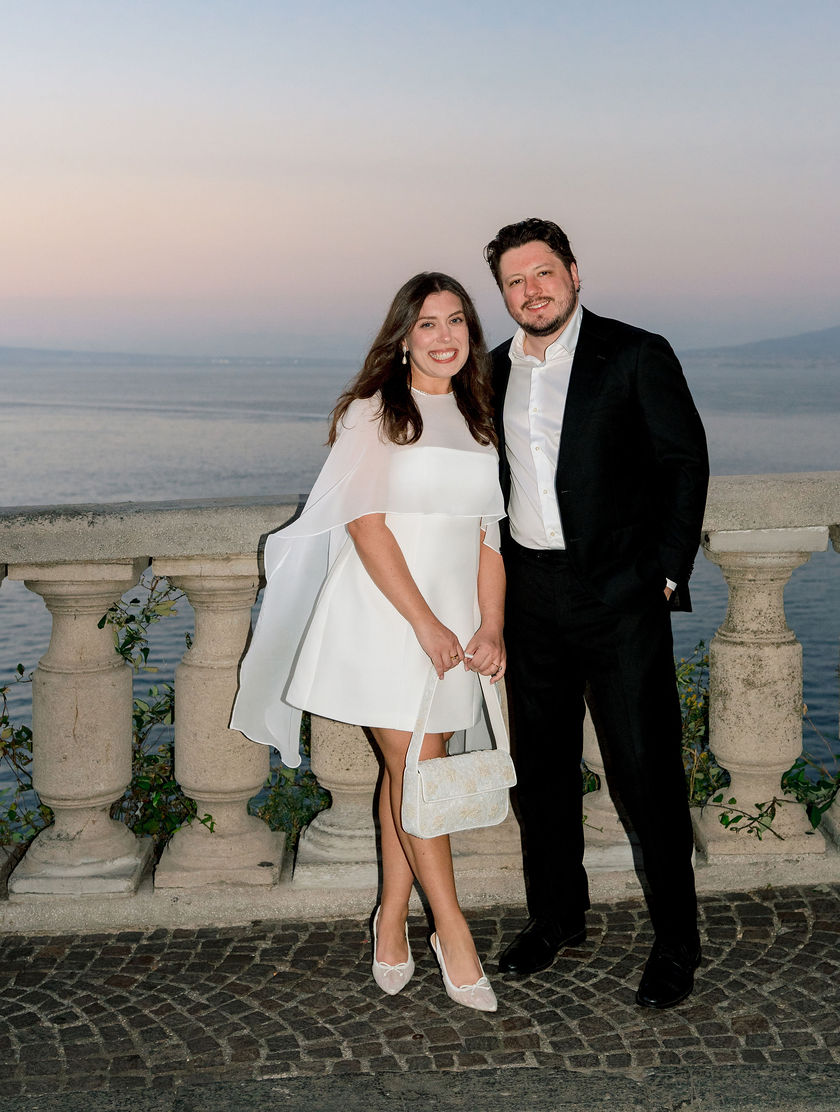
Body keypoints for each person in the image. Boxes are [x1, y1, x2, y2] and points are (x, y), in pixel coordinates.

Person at [230, 273, 506, 1013]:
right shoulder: (375, 412)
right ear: (403, 336)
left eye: (457, 322)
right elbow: (365, 525)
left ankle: (389, 914)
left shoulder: (481, 417)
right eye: (427, 324)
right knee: (419, 766)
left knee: (408, 769)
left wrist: (491, 627)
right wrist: (425, 623)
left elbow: (488, 537)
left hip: (456, 627)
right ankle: (453, 930)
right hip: (388, 618)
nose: (444, 336)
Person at [484, 218, 709, 1008]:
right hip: (530, 600)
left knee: (645, 774)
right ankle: (557, 919)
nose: (531, 290)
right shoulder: (490, 373)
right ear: (503, 294)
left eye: (543, 273)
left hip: (620, 600)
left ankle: (678, 944)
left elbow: (685, 462)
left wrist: (667, 578)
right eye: (515, 281)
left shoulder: (635, 352)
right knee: (540, 776)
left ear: (575, 273)